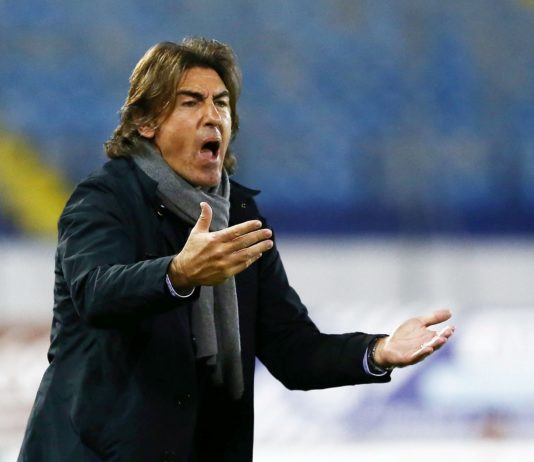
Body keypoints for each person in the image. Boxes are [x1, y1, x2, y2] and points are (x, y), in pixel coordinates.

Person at [18, 37, 454, 462]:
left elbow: (292, 348)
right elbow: (95, 293)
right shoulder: (104, 198)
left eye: (221, 103)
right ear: (147, 122)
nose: (213, 116)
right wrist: (177, 275)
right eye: (190, 102)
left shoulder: (240, 215)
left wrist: (378, 351)